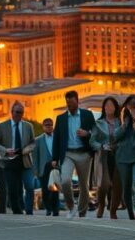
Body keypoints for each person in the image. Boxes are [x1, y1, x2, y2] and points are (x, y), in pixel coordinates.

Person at [53, 90, 99, 219]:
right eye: (68, 104)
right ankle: (71, 207)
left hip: (84, 153)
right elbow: (57, 139)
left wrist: (87, 133)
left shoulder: (87, 115)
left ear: (78, 102)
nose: (70, 106)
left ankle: (82, 212)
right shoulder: (61, 118)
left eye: (72, 103)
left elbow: (96, 133)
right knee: (66, 180)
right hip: (68, 154)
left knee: (83, 185)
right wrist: (55, 158)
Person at [0, 102, 35, 214]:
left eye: (21, 112)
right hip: (9, 161)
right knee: (12, 188)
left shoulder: (28, 126)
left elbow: (33, 143)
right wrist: (5, 150)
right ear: (12, 112)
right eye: (17, 112)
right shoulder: (2, 126)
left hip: (24, 160)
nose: (19, 115)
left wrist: (25, 150)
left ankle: (29, 211)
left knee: (30, 186)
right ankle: (17, 211)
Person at [92, 96, 123, 219]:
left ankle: (113, 210)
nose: (108, 108)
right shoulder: (98, 123)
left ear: (115, 108)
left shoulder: (120, 123)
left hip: (118, 156)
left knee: (117, 185)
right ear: (103, 108)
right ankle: (101, 205)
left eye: (111, 105)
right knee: (104, 184)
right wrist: (101, 146)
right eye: (106, 106)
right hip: (104, 156)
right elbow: (92, 141)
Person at [32, 118, 59, 216]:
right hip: (43, 168)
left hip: (55, 167)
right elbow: (35, 158)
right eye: (46, 125)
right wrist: (35, 171)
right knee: (45, 190)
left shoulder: (57, 138)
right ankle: (48, 208)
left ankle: (55, 209)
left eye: (50, 125)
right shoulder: (38, 140)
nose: (49, 127)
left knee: (55, 189)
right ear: (43, 127)